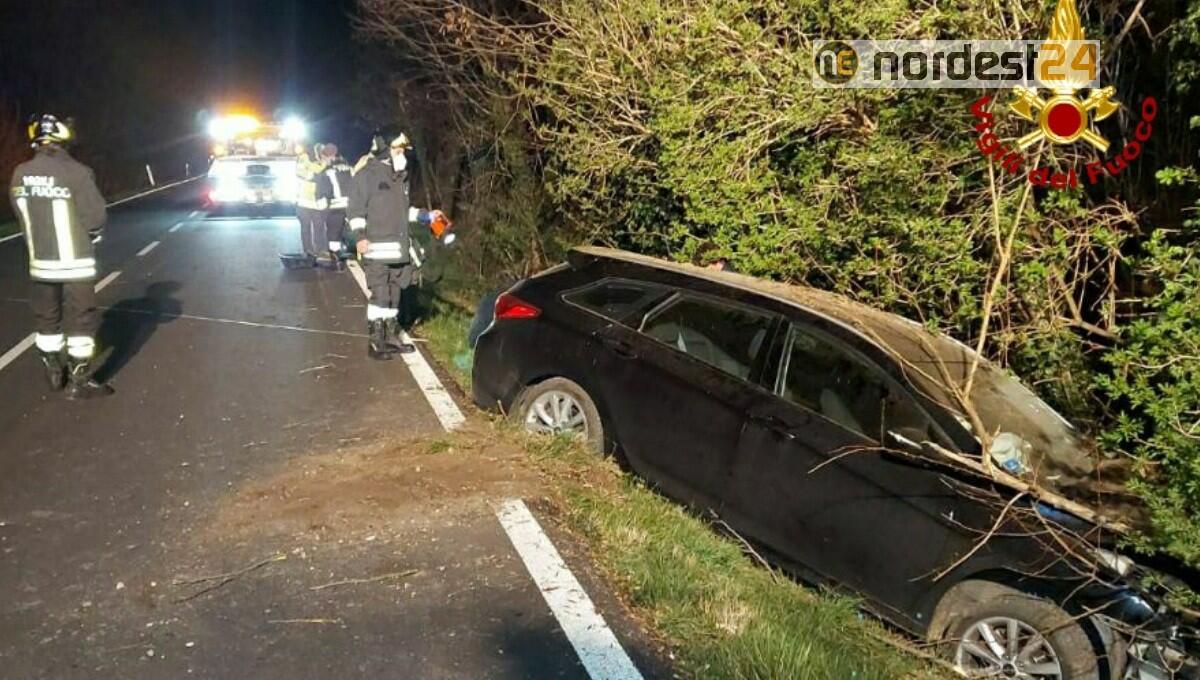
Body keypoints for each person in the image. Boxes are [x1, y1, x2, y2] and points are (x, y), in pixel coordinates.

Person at [9, 114, 113, 398]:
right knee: (81, 320)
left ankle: (53, 369)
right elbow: (95, 217)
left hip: (40, 263)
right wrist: (92, 235)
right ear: (64, 135)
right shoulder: (77, 172)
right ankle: (80, 379)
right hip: (75, 263)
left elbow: (20, 212)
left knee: (46, 319)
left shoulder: (19, 173)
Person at [347, 129, 447, 360]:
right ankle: (376, 342)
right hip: (376, 250)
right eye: (398, 149)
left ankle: (390, 337)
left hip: (398, 251)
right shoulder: (366, 176)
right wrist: (360, 237)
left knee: (394, 296)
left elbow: (402, 212)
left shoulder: (399, 178)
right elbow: (355, 211)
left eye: (403, 150)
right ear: (384, 149)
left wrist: (426, 216)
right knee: (381, 295)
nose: (402, 154)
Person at [314, 143, 353, 266]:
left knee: (334, 235)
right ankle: (353, 253)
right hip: (352, 206)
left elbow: (322, 193)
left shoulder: (326, 172)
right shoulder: (349, 168)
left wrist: (321, 207)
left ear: (327, 157)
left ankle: (336, 259)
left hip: (335, 208)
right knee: (353, 231)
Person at [294, 142, 328, 261]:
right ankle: (309, 252)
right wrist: (325, 162)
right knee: (307, 227)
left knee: (318, 227)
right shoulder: (304, 159)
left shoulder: (313, 160)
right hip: (305, 201)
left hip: (315, 201)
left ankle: (318, 251)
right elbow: (315, 173)